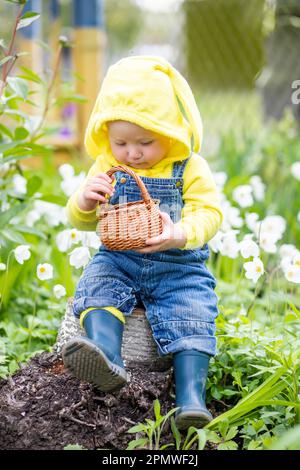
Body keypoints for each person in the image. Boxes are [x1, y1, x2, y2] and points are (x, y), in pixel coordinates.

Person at [62, 55, 223, 430]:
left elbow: (210, 213)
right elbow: (81, 219)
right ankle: (105, 354)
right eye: (121, 142)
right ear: (107, 136)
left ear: (171, 132)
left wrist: (180, 232)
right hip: (119, 257)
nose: (132, 153)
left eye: (146, 142)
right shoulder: (106, 165)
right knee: (98, 284)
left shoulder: (189, 166)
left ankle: (190, 400)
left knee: (193, 309)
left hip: (177, 265)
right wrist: (86, 200)